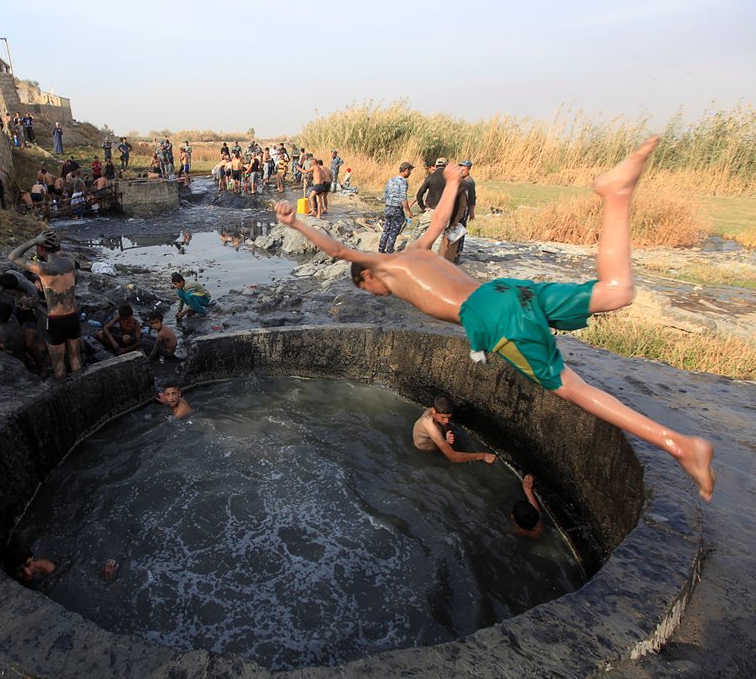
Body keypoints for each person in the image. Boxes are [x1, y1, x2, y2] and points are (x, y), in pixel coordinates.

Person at [274, 137, 715, 501]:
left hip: (490, 313)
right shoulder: (416, 250)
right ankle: (617, 195)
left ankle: (677, 444)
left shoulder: (386, 264)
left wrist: (297, 224)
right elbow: (442, 216)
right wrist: (450, 180)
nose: (374, 293)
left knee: (574, 389)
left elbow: (337, 250)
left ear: (368, 277)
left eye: (365, 288)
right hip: (505, 288)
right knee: (618, 292)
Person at [8, 230, 82, 376]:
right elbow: (76, 279)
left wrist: (34, 241)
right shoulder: (70, 260)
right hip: (73, 316)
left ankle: (65, 394)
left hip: (56, 320)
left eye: (37, 247)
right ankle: (80, 387)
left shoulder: (44, 269)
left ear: (41, 248)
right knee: (75, 358)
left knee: (58, 363)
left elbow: (13, 256)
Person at [412, 396, 496, 464]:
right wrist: (483, 456)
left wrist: (446, 433)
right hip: (426, 453)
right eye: (443, 418)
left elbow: (444, 424)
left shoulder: (435, 411)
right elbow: (453, 458)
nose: (446, 421)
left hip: (435, 443)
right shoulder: (429, 425)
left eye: (449, 418)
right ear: (434, 411)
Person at [380, 162, 416, 253]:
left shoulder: (390, 180)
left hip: (388, 208)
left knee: (386, 230)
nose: (410, 173)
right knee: (394, 231)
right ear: (406, 170)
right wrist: (408, 212)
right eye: (410, 170)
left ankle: (381, 250)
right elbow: (403, 198)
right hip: (397, 209)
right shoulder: (403, 182)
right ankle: (390, 250)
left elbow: (385, 195)